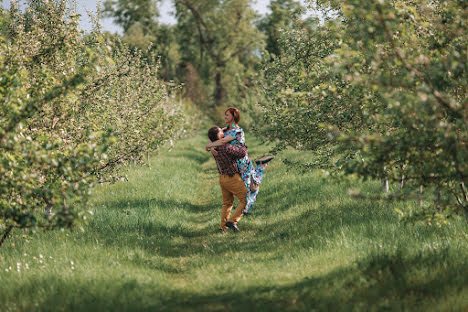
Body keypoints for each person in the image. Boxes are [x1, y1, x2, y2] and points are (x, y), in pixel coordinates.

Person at [205, 107, 274, 215]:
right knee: (246, 189)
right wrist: (212, 147)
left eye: (227, 115)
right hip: (232, 164)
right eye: (225, 114)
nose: (225, 117)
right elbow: (213, 137)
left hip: (242, 163)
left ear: (233, 116)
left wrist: (209, 146)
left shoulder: (237, 131)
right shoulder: (226, 128)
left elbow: (222, 141)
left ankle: (260, 166)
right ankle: (242, 211)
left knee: (252, 187)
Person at [207, 126, 248, 232]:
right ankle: (232, 221)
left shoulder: (215, 148)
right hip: (232, 178)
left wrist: (223, 131)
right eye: (221, 131)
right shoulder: (226, 147)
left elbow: (212, 138)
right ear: (219, 136)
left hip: (222, 178)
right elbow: (241, 153)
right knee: (246, 199)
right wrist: (242, 143)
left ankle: (223, 227)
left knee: (227, 203)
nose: (223, 131)